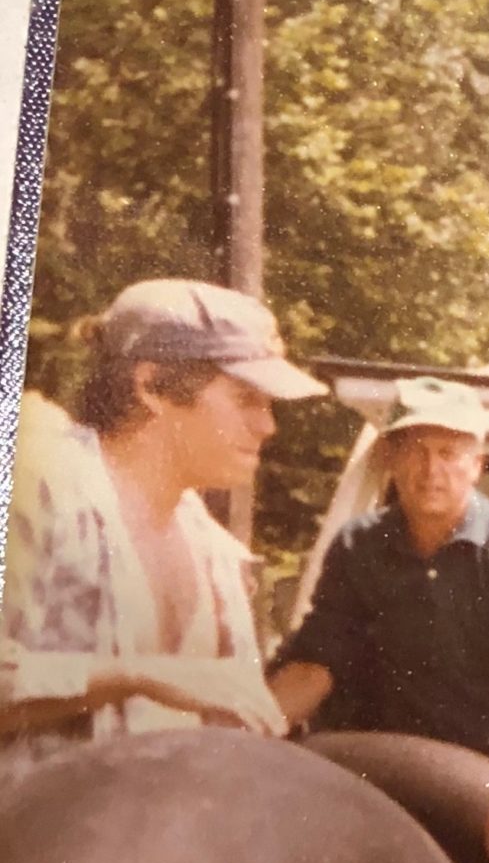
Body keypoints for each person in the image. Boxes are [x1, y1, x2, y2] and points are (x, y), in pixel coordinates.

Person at [0, 278, 325, 787]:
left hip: (160, 852)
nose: (268, 426)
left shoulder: (218, 555)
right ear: (150, 386)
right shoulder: (37, 487)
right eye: (246, 398)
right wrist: (142, 673)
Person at [268, 376, 489, 863]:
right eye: (415, 450)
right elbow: (314, 666)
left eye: (449, 452)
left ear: (477, 464)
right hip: (401, 781)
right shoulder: (358, 547)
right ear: (389, 458)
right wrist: (241, 739)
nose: (431, 469)